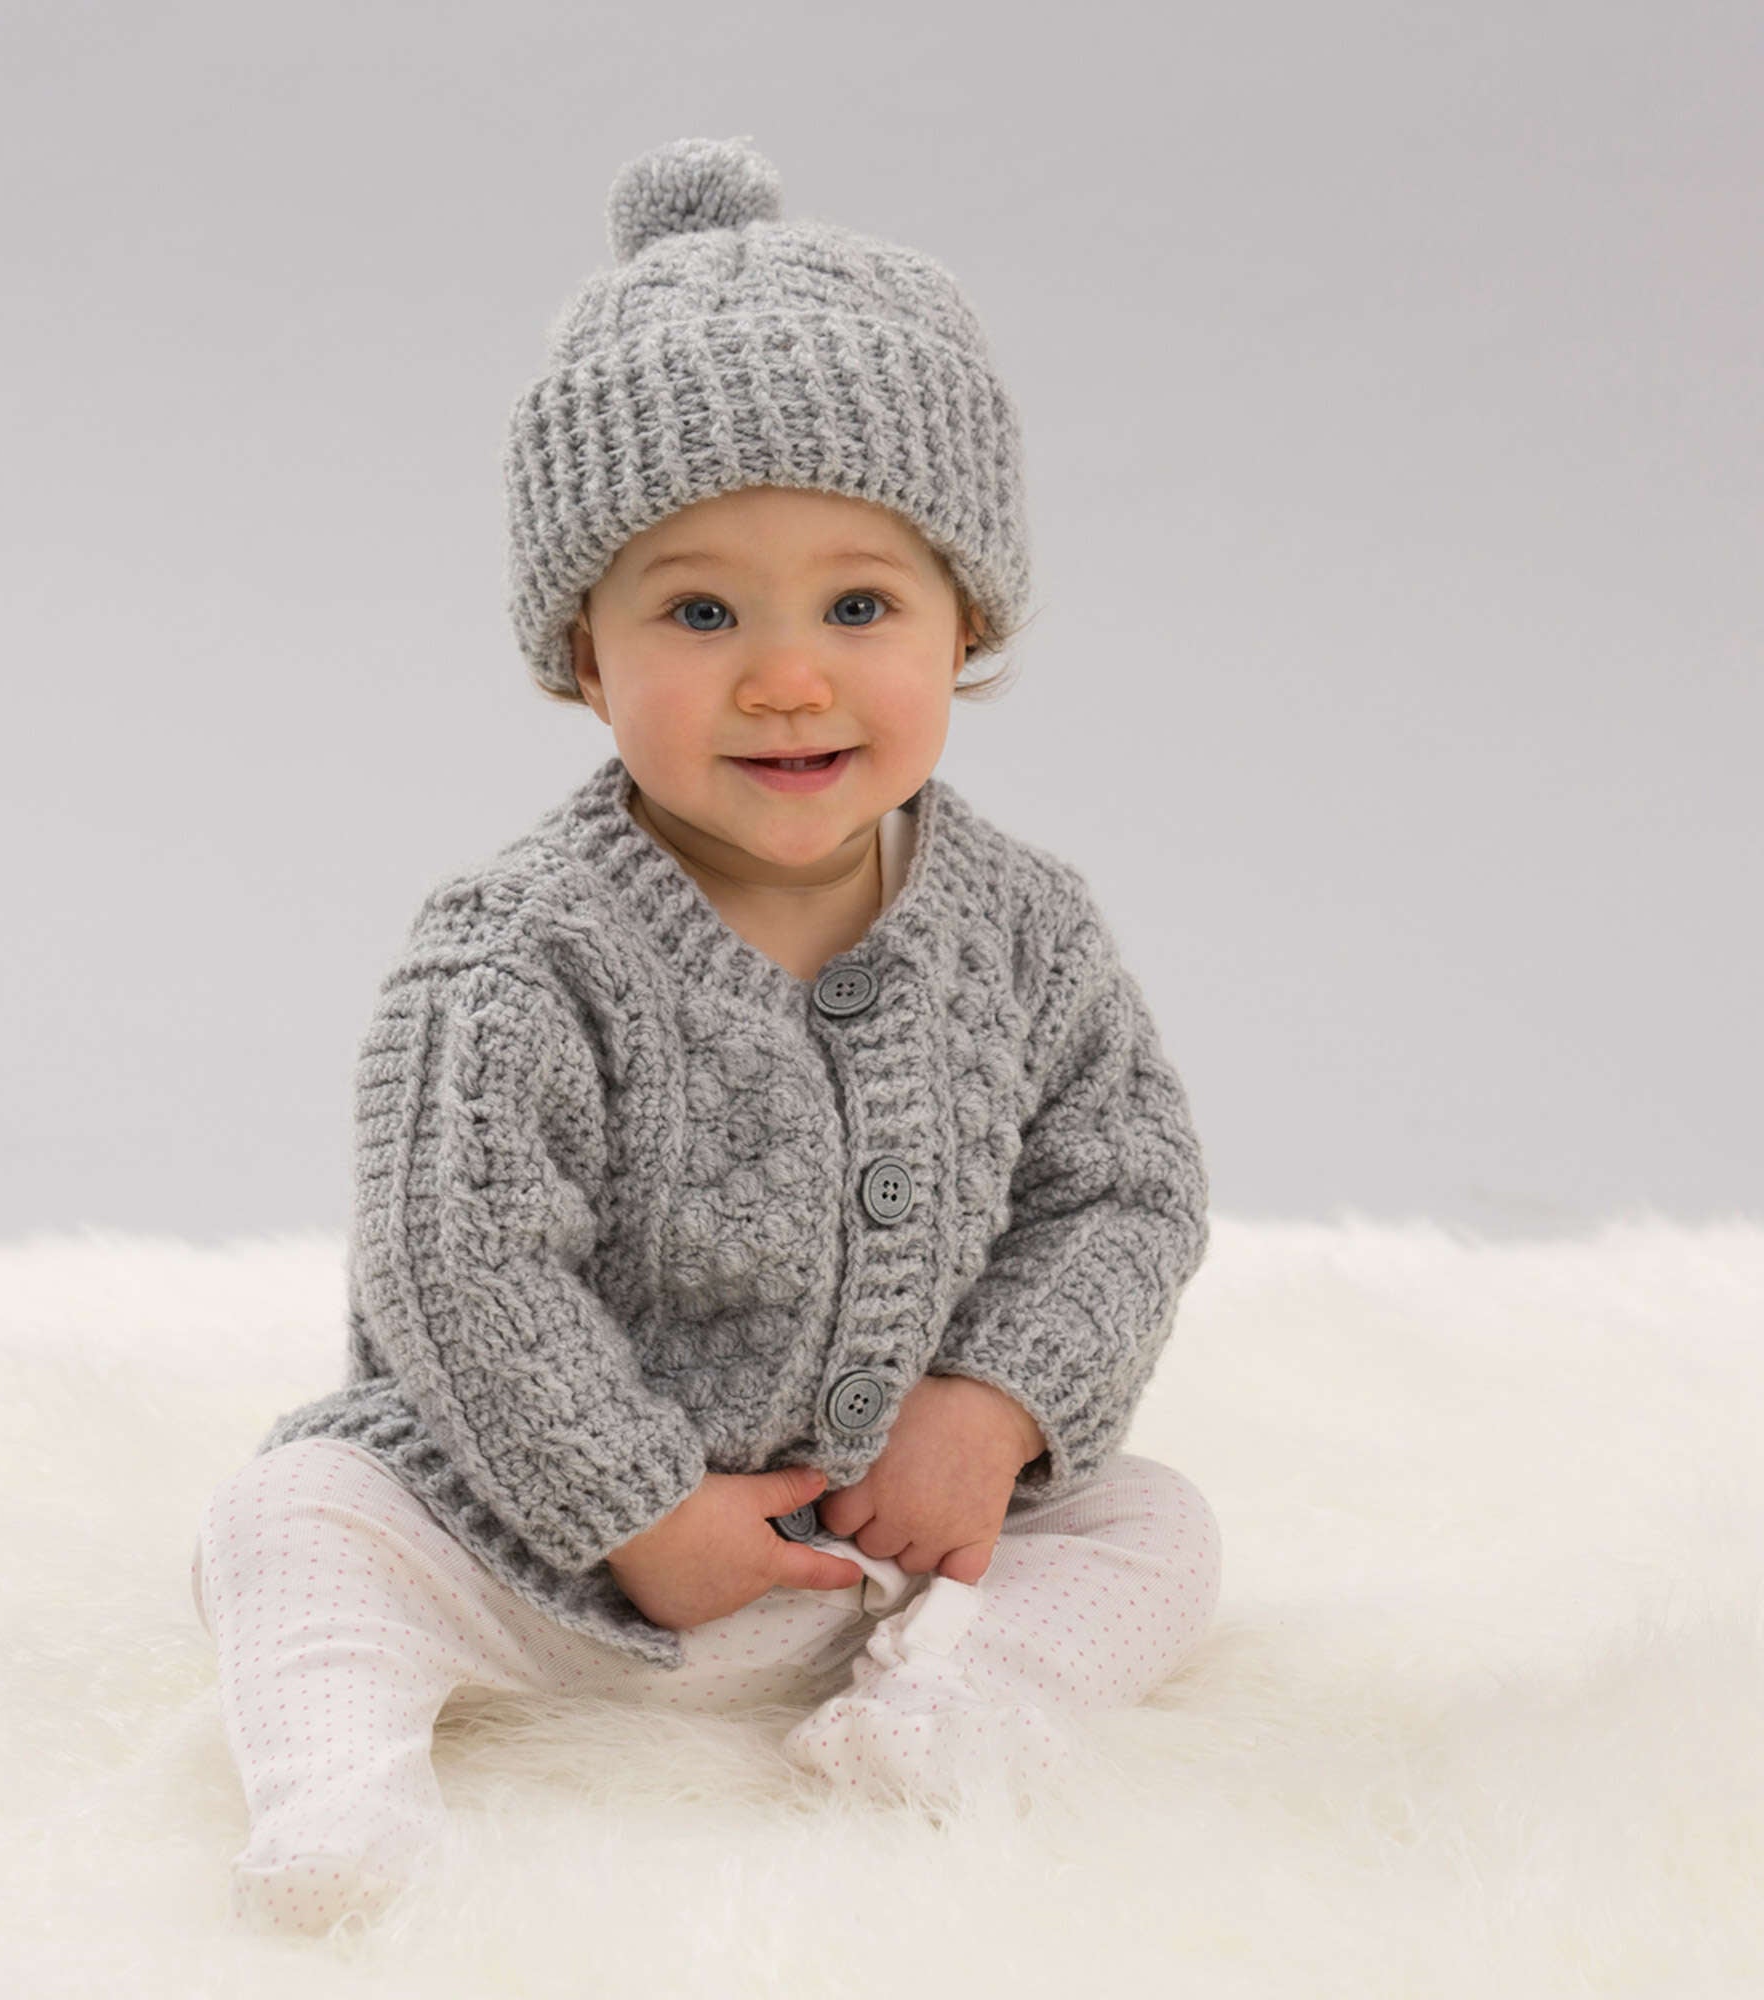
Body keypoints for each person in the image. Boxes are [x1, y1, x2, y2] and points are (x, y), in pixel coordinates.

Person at [189, 133, 1222, 1938]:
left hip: (876, 1543)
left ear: (965, 628)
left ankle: (946, 1715)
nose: (786, 676)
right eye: (696, 611)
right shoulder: (515, 950)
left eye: (859, 606)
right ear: (582, 659)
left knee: (1161, 1528)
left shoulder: (1026, 927)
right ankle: (343, 1787)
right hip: (541, 1544)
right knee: (295, 1516)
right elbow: (459, 1264)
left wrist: (988, 1412)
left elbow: (1124, 1188)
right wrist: (636, 1509)